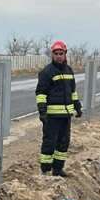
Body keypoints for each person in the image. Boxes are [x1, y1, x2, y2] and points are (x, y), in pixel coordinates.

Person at [35, 40, 82, 177]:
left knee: (63, 143)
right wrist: (42, 112)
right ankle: (45, 170)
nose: (59, 56)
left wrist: (77, 106)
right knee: (49, 143)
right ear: (52, 55)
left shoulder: (69, 71)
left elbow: (73, 92)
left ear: (65, 54)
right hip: (52, 116)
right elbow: (41, 94)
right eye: (56, 54)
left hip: (66, 116)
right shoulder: (46, 72)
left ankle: (58, 169)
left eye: (61, 53)